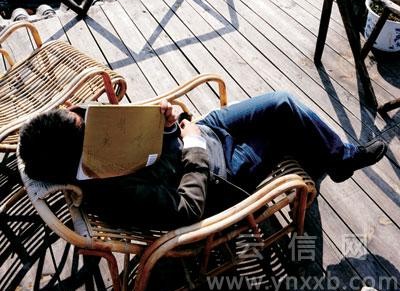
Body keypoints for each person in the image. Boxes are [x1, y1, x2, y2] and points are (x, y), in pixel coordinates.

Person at [19, 91, 386, 229]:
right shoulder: (113, 192)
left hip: (204, 130)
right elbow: (188, 209)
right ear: (80, 152)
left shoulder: (95, 150)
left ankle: (340, 159)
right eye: (86, 125)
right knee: (287, 130)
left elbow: (152, 148)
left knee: (283, 103)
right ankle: (336, 161)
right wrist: (193, 145)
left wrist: (166, 123)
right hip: (221, 171)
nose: (93, 120)